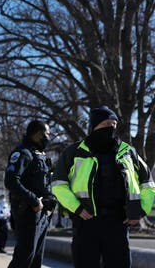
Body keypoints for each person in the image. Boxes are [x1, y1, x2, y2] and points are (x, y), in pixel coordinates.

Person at [52, 106, 155, 268]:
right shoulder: (73, 152)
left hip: (118, 222)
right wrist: (77, 209)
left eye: (114, 124)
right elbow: (58, 185)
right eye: (106, 123)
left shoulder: (128, 152)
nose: (111, 127)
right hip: (86, 222)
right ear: (94, 127)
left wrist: (141, 210)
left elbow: (147, 183)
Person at [5, 120, 56, 267]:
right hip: (28, 212)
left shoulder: (40, 155)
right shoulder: (22, 153)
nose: (48, 137)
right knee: (24, 258)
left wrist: (50, 199)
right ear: (37, 134)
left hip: (42, 214)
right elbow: (11, 181)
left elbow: (44, 183)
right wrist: (34, 201)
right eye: (47, 134)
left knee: (36, 259)